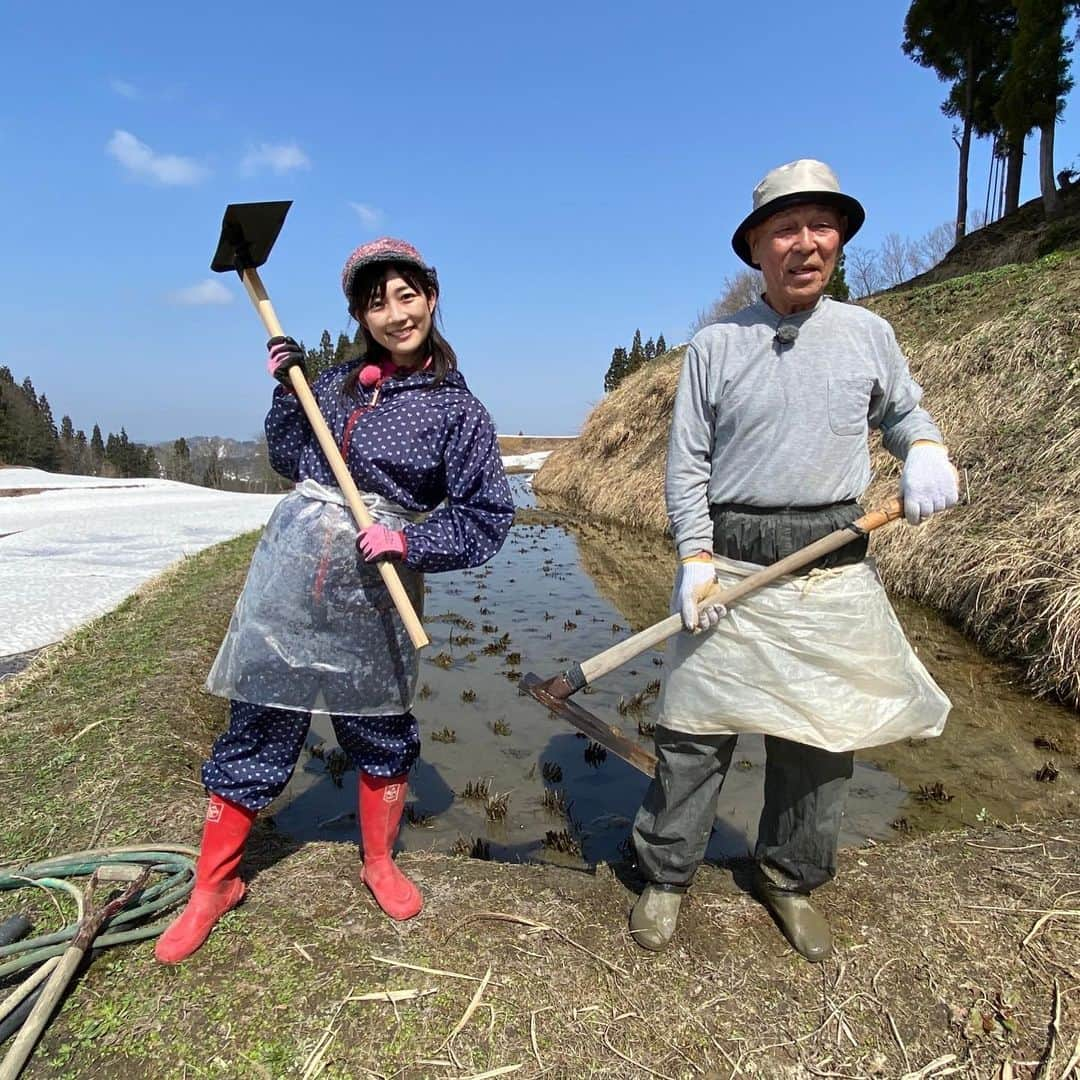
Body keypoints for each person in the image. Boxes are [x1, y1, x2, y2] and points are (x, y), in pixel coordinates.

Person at [629, 160, 958, 962]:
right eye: (785, 228)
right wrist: (695, 553)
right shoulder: (716, 345)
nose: (804, 243)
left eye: (820, 225)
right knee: (694, 733)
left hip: (831, 554)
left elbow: (905, 411)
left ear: (839, 240)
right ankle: (667, 877)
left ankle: (789, 877)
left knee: (820, 738)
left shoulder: (869, 335)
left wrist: (924, 446)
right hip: (733, 562)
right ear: (755, 249)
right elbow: (688, 463)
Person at [156, 237, 514, 964]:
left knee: (377, 729)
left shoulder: (457, 410)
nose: (395, 312)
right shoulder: (340, 384)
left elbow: (486, 517)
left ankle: (379, 862)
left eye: (406, 295)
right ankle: (212, 886)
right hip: (292, 582)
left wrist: (410, 543)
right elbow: (292, 460)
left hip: (374, 595)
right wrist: (289, 392)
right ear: (361, 314)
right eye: (377, 301)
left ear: (431, 298)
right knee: (258, 723)